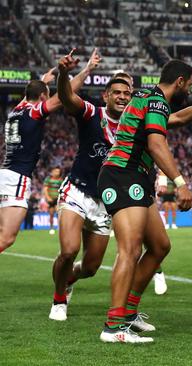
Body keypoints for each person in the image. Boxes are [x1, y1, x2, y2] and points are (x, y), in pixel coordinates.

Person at [96, 59, 192, 343]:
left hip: (134, 177)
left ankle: (128, 312)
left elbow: (176, 119)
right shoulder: (155, 102)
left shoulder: (150, 99)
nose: (189, 90)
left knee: (159, 246)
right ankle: (114, 327)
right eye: (189, 85)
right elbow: (156, 144)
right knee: (129, 250)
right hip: (123, 174)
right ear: (179, 81)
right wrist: (181, 184)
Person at [49, 49, 127, 321]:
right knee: (69, 250)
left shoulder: (133, 126)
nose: (122, 97)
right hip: (77, 191)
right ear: (106, 95)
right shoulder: (92, 112)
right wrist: (63, 73)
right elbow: (67, 98)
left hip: (105, 202)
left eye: (126, 94)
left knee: (91, 268)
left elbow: (170, 123)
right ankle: (59, 300)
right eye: (116, 92)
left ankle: (66, 280)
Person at [0, 58, 88, 254]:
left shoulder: (15, 112)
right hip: (17, 177)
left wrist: (44, 81)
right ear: (42, 96)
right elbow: (64, 95)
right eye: (46, 95)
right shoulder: (34, 112)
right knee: (6, 238)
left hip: (5, 173)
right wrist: (87, 70)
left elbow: (28, 96)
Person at [43, 166, 64, 234]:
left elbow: (62, 190)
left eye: (58, 171)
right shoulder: (48, 179)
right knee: (51, 214)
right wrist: (48, 197)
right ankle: (51, 228)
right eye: (55, 171)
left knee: (59, 213)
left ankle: (59, 228)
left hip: (58, 200)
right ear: (52, 172)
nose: (57, 173)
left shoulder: (61, 180)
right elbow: (45, 189)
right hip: (51, 200)